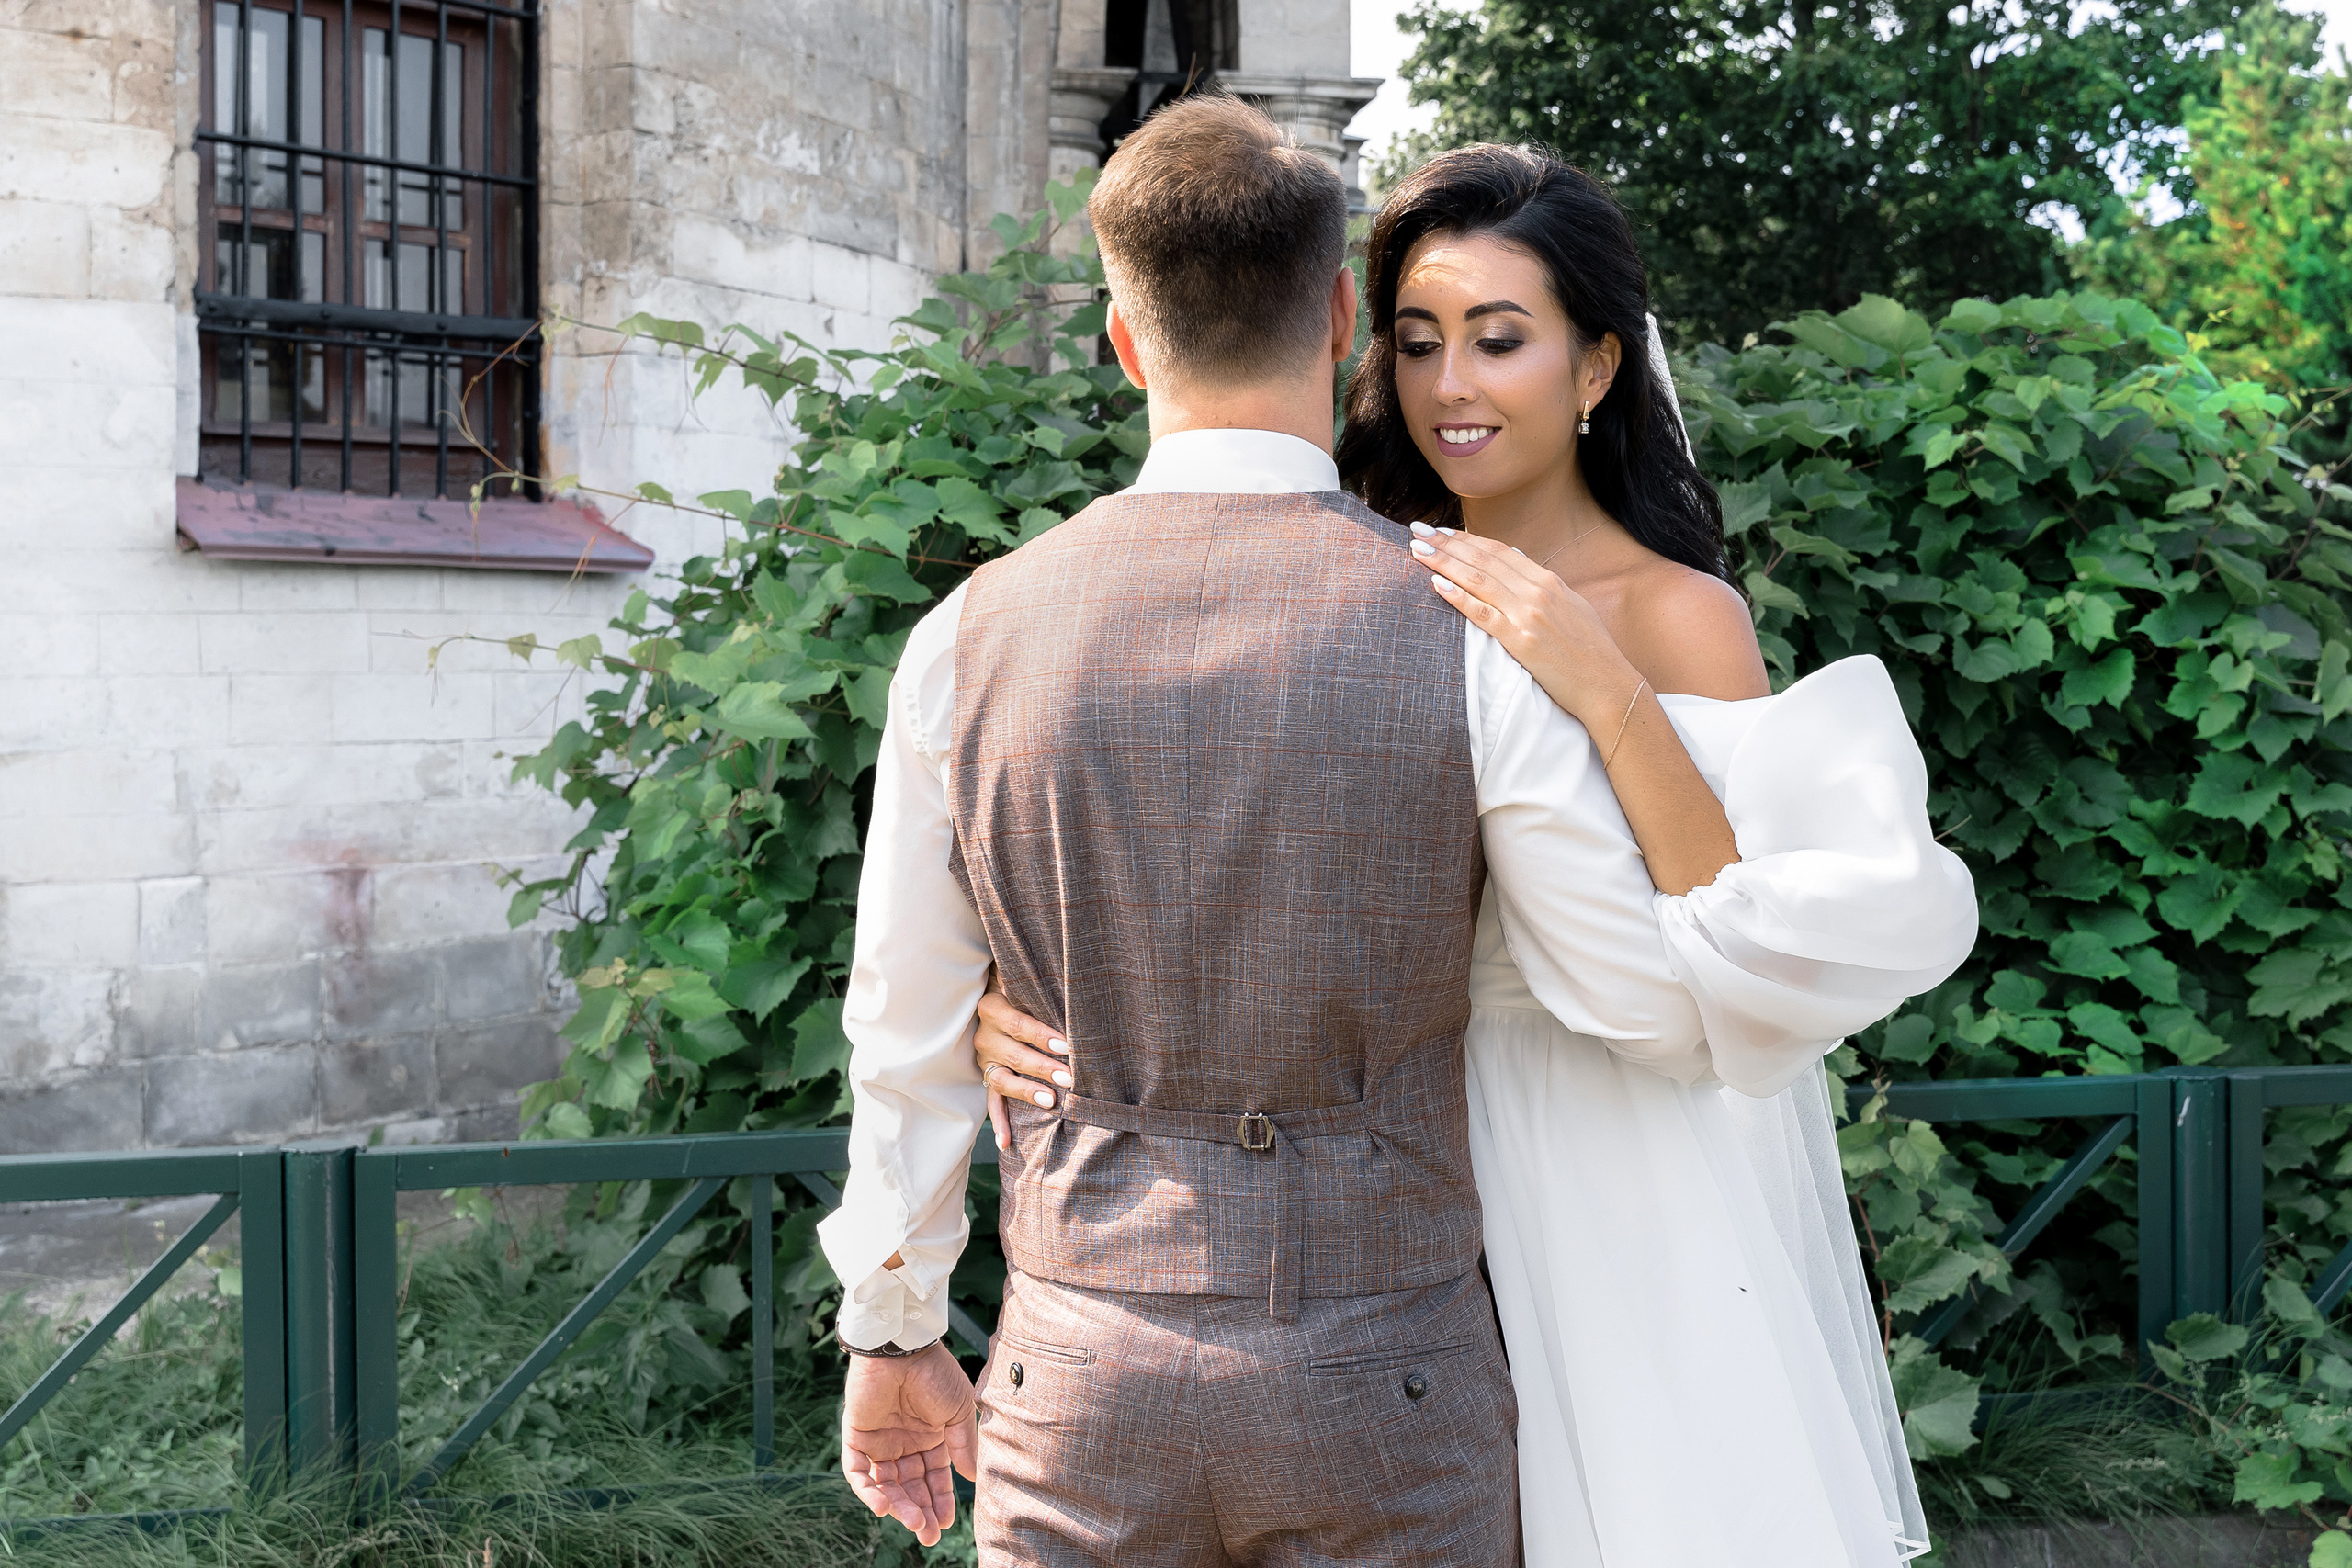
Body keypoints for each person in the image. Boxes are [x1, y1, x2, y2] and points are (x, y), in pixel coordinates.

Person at [967, 144, 1980, 1566]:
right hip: (1373, 1172)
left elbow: (1737, 923)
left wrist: (1597, 680)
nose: (1450, 387)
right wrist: (1011, 991)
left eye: (1501, 342)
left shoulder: (1676, 611)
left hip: (1603, 1143)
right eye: (1418, 340)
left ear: (1595, 367)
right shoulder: (1356, 577)